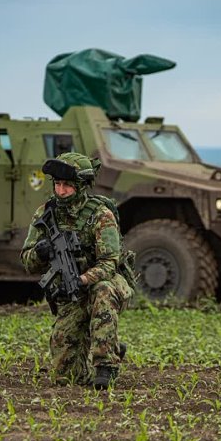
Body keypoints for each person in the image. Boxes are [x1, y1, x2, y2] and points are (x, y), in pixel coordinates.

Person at [20, 152, 132, 390]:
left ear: (81, 187)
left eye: (67, 186)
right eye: (57, 184)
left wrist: (81, 279)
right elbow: (27, 262)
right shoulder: (45, 214)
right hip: (69, 292)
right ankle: (109, 345)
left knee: (102, 290)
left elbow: (109, 264)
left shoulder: (101, 215)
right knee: (65, 377)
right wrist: (40, 253)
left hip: (107, 285)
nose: (60, 191)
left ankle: (106, 365)